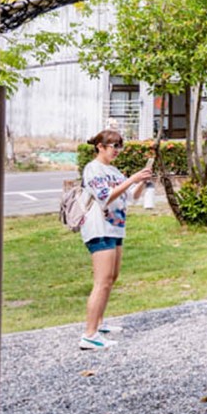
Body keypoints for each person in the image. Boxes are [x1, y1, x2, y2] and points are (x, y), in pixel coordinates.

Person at [78, 129, 153, 350]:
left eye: (120, 146)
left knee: (111, 278)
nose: (117, 151)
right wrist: (132, 178)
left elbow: (131, 196)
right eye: (114, 146)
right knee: (102, 281)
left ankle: (99, 324)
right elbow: (105, 196)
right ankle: (89, 334)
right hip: (99, 227)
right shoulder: (92, 169)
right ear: (100, 147)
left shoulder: (113, 171)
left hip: (115, 228)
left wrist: (141, 181)